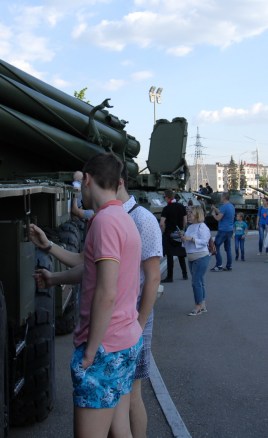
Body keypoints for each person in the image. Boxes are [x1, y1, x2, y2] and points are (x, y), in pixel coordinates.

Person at [30, 152, 143, 436]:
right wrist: (50, 253)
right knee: (120, 431)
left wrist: (90, 351)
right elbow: (87, 264)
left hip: (105, 348)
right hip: (125, 341)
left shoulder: (104, 223)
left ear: (88, 180)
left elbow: (106, 292)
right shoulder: (119, 217)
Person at [119, 166, 162, 438]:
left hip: (135, 318)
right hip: (117, 321)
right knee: (120, 395)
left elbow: (153, 278)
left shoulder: (141, 218)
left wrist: (139, 325)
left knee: (132, 393)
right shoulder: (111, 217)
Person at [180, 205, 212, 315]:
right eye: (189, 212)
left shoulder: (202, 227)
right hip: (192, 257)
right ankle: (202, 304)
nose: (189, 214)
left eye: (191, 212)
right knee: (199, 281)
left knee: (196, 282)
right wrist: (183, 237)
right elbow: (187, 242)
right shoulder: (190, 227)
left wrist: (190, 238)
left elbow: (204, 241)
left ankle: (197, 306)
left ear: (197, 215)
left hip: (201, 257)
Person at [160, 189, 187, 283]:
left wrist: (162, 233)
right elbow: (185, 220)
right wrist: (182, 230)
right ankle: (185, 274)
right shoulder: (181, 206)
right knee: (180, 255)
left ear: (167, 197)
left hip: (169, 233)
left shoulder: (166, 208)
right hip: (179, 232)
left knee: (170, 255)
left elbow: (162, 223)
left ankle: (170, 276)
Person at [210, 192, 235, 271]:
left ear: (224, 198)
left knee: (216, 245)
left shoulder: (224, 206)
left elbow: (218, 218)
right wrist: (216, 209)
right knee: (228, 248)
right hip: (230, 229)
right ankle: (229, 265)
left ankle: (219, 264)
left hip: (223, 229)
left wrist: (213, 214)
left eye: (221, 197)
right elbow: (222, 212)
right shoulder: (231, 206)